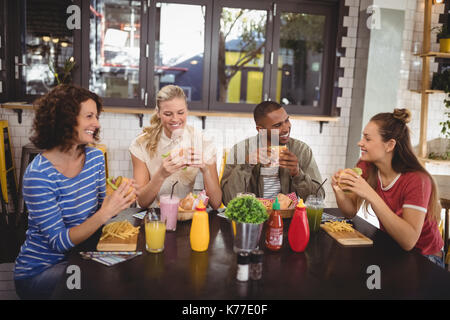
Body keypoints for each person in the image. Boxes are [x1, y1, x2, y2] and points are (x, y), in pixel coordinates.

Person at [14, 85, 136, 299]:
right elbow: (59, 242)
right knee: (105, 284)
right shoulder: (39, 175)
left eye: (96, 116)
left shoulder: (95, 159)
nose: (96, 124)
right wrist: (105, 212)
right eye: (89, 116)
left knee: (130, 272)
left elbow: (99, 211)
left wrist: (117, 199)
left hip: (79, 257)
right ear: (65, 119)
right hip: (41, 271)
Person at [332, 108, 444, 268]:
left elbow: (409, 241)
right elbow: (350, 212)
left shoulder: (417, 180)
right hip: (393, 248)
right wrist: (339, 191)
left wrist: (370, 194)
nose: (360, 143)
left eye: (367, 139)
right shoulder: (366, 165)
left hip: (425, 258)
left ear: (390, 145)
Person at [129, 85, 222, 209]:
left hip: (187, 214)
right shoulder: (140, 144)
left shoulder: (203, 142)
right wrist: (161, 175)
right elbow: (142, 201)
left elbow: (216, 203)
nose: (175, 119)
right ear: (158, 113)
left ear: (187, 111)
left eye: (180, 112)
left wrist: (205, 170)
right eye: (168, 114)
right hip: (154, 217)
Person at [221, 101, 324, 205]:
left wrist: (297, 174)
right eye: (278, 125)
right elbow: (228, 200)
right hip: (252, 218)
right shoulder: (240, 150)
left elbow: (318, 198)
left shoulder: (301, 150)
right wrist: (246, 165)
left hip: (288, 218)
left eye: (287, 120)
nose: (286, 128)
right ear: (261, 130)